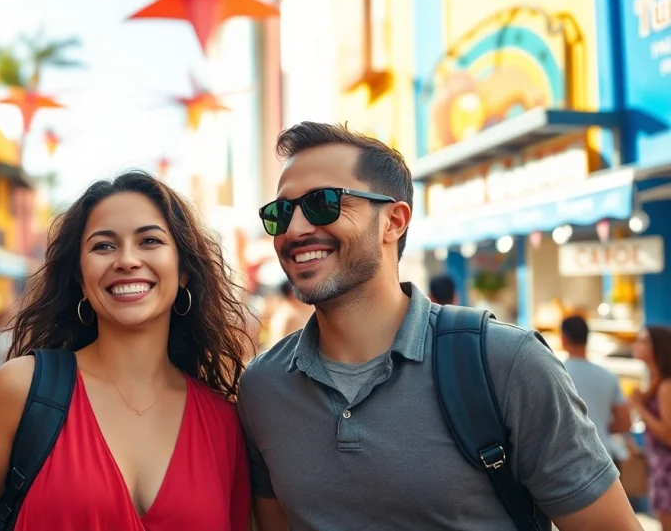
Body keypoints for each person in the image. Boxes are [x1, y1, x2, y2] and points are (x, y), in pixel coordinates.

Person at [241, 122, 639, 530]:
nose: (295, 229)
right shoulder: (262, 387)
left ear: (394, 221)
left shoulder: (505, 363)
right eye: (281, 212)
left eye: (323, 203)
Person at [0, 171, 252, 531]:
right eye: (104, 246)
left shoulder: (225, 422)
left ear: (183, 272)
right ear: (80, 279)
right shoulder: (21, 391)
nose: (127, 260)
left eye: (150, 240)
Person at [561, 315, 633, 469]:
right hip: (603, 458)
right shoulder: (608, 376)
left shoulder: (557, 375)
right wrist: (600, 425)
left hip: (568, 460)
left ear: (563, 339)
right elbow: (626, 423)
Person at [630, 326, 671, 530]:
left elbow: (668, 434)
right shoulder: (656, 382)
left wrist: (639, 407)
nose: (636, 344)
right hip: (660, 469)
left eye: (644, 340)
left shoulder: (665, 386)